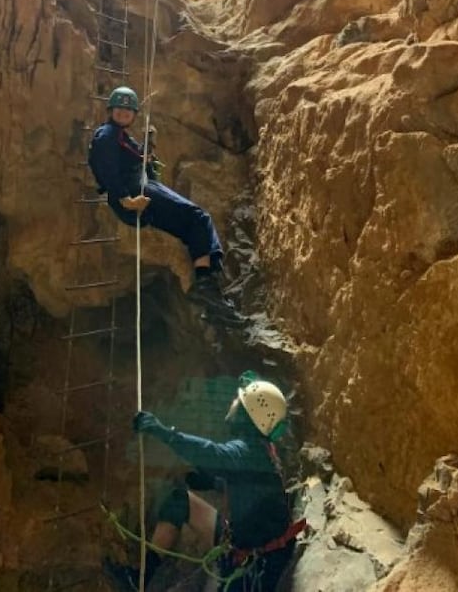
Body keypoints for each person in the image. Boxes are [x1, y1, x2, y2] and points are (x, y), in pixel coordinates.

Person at [105, 374, 304, 590]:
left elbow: (212, 453)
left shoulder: (249, 452)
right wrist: (212, 482)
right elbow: (250, 487)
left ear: (250, 413)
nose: (233, 402)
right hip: (246, 545)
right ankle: (139, 580)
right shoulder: (258, 450)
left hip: (258, 565)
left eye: (239, 400)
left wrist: (163, 432)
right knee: (179, 501)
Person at [88, 87, 237, 322]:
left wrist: (149, 144)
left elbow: (135, 158)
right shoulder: (106, 135)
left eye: (128, 111)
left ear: (134, 114)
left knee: (192, 226)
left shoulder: (119, 136)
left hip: (142, 190)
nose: (124, 113)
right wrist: (126, 199)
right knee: (199, 217)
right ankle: (206, 281)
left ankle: (210, 288)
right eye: (120, 109)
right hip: (137, 192)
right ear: (111, 110)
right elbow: (108, 170)